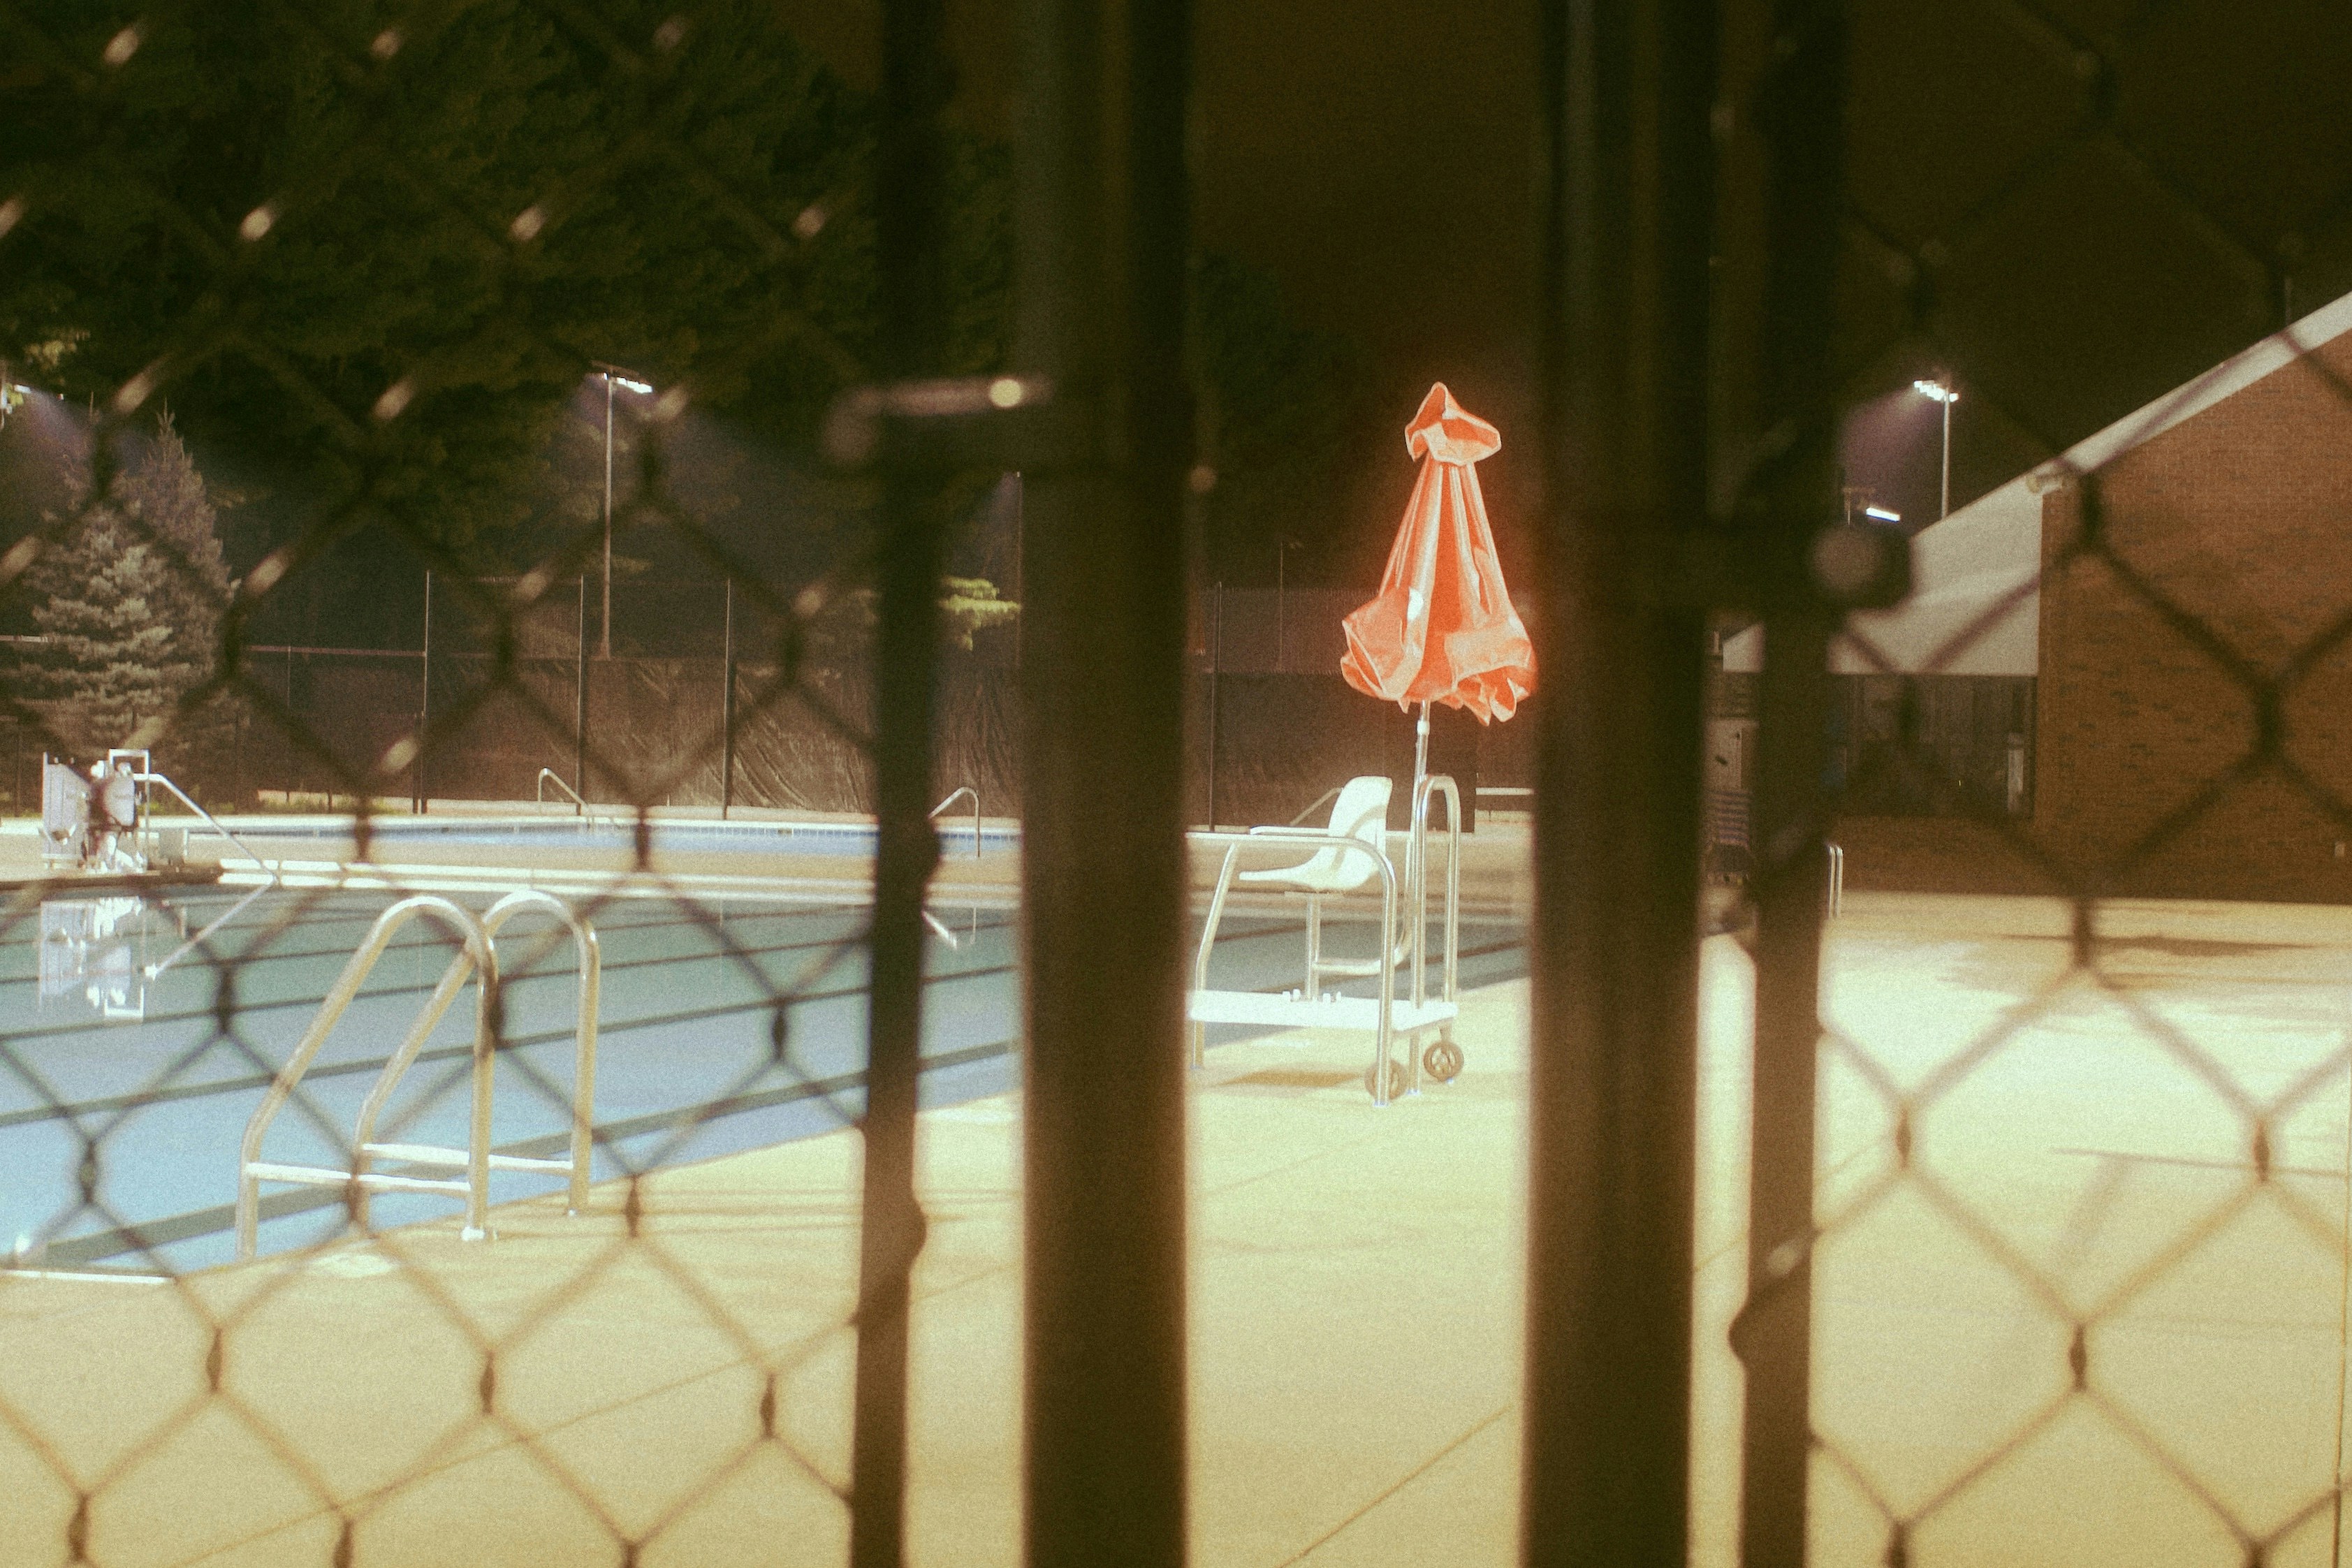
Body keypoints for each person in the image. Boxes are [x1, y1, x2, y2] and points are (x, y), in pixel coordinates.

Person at [94, 759, 140, 872]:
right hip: (115, 822)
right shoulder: (116, 786)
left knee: (117, 845)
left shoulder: (126, 786)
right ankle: (108, 865)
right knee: (110, 845)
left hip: (120, 822)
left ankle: (126, 864)